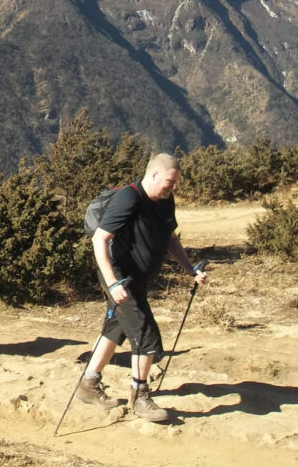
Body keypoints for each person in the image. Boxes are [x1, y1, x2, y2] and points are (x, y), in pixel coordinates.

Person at [77, 153, 208, 422]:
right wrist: (113, 283)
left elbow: (170, 239)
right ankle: (140, 395)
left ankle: (88, 385)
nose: (173, 187)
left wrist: (190, 269)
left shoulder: (164, 200)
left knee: (116, 328)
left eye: (175, 183)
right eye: (170, 182)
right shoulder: (129, 197)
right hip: (119, 277)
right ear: (154, 175)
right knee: (146, 334)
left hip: (136, 279)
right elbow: (100, 240)